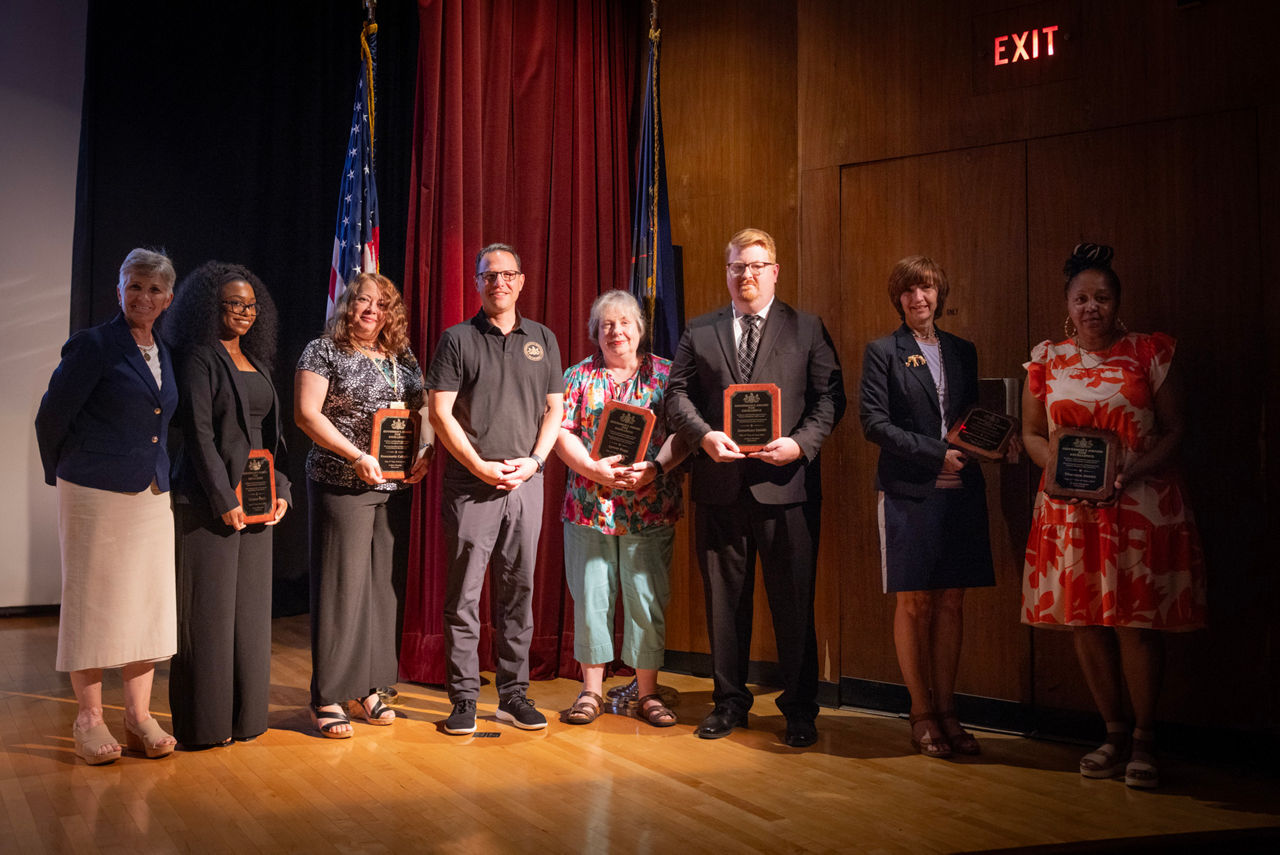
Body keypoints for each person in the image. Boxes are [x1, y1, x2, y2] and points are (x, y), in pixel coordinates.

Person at [1021, 243, 1206, 789]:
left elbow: (1175, 428)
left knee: (1136, 625)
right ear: (1068, 305)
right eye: (1081, 298)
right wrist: (1054, 470)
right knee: (1085, 623)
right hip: (1069, 512)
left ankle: (1146, 738)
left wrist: (1135, 468)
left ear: (1117, 303)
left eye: (1102, 297)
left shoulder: (1150, 352)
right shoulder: (1046, 359)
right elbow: (1033, 434)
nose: (1091, 307)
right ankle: (1113, 733)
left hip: (1141, 508)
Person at [666, 227, 846, 748]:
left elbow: (830, 398)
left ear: (774, 270)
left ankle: (799, 709)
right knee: (724, 603)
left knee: (793, 603)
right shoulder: (699, 331)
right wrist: (702, 436)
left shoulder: (807, 328)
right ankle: (729, 704)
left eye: (756, 265)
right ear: (727, 272)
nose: (746, 274)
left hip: (787, 486)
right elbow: (676, 396)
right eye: (737, 266)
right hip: (720, 486)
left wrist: (801, 445)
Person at [35, 247, 180, 765]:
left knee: (145, 602)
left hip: (150, 493)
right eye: (135, 286)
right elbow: (51, 417)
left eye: (155, 289)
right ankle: (89, 719)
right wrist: (74, 474)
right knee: (93, 604)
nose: (144, 296)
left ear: (168, 299)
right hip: (94, 492)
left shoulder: (164, 348)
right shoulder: (94, 345)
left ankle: (139, 717)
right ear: (118, 290)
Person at [859, 256, 995, 758]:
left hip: (961, 492)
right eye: (910, 292)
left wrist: (996, 444)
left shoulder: (963, 351)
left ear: (940, 293)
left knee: (953, 602)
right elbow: (873, 424)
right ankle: (920, 711)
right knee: (914, 604)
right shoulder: (883, 352)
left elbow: (971, 419)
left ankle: (949, 711)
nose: (920, 299)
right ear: (898, 298)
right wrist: (938, 452)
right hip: (907, 491)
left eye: (928, 289)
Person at [426, 243, 564, 735]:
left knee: (518, 593)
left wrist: (536, 462)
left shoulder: (543, 339)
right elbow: (440, 413)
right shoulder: (457, 339)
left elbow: (555, 410)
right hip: (471, 486)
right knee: (464, 596)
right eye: (489, 275)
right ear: (478, 283)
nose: (498, 283)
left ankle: (513, 696)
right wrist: (481, 466)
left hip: (526, 485)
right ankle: (463, 699)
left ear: (521, 281)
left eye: (507, 275)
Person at [295, 272, 431, 738]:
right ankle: (328, 694)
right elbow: (306, 414)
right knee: (342, 589)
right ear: (347, 305)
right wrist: (355, 457)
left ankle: (368, 686)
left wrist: (426, 454)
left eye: (382, 303)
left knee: (381, 589)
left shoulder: (402, 356)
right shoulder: (323, 350)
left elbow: (423, 409)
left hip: (394, 487)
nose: (372, 309)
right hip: (342, 482)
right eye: (363, 300)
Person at [165, 261, 290, 749]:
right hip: (207, 503)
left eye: (250, 305)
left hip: (258, 503)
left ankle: (246, 720)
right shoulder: (199, 356)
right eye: (231, 304)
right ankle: (205, 727)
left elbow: (269, 438)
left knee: (250, 616)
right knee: (209, 617)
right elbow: (197, 434)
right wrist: (222, 499)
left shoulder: (257, 362)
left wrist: (281, 489)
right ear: (207, 308)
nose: (242, 312)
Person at [554, 290, 690, 727]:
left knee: (646, 601)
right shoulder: (576, 377)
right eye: (607, 325)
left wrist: (656, 467)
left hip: (649, 506)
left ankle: (647, 693)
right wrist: (591, 469)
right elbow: (560, 433)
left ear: (640, 328)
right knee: (591, 599)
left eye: (625, 323)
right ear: (596, 332)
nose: (616, 332)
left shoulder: (668, 375)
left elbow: (685, 433)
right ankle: (590, 691)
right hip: (588, 508)